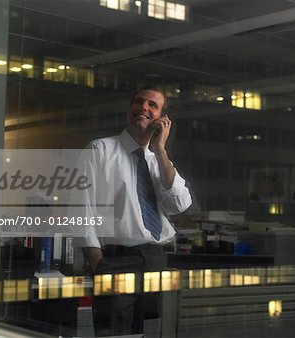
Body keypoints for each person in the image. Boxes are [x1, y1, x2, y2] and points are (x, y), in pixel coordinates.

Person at [80, 85, 192, 336]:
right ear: (129, 109)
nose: (143, 107)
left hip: (156, 260)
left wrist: (161, 150)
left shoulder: (158, 161)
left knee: (155, 331)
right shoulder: (99, 150)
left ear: (163, 120)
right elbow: (81, 210)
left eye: (152, 105)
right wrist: (99, 264)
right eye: (139, 102)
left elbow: (180, 205)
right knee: (116, 335)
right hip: (116, 261)